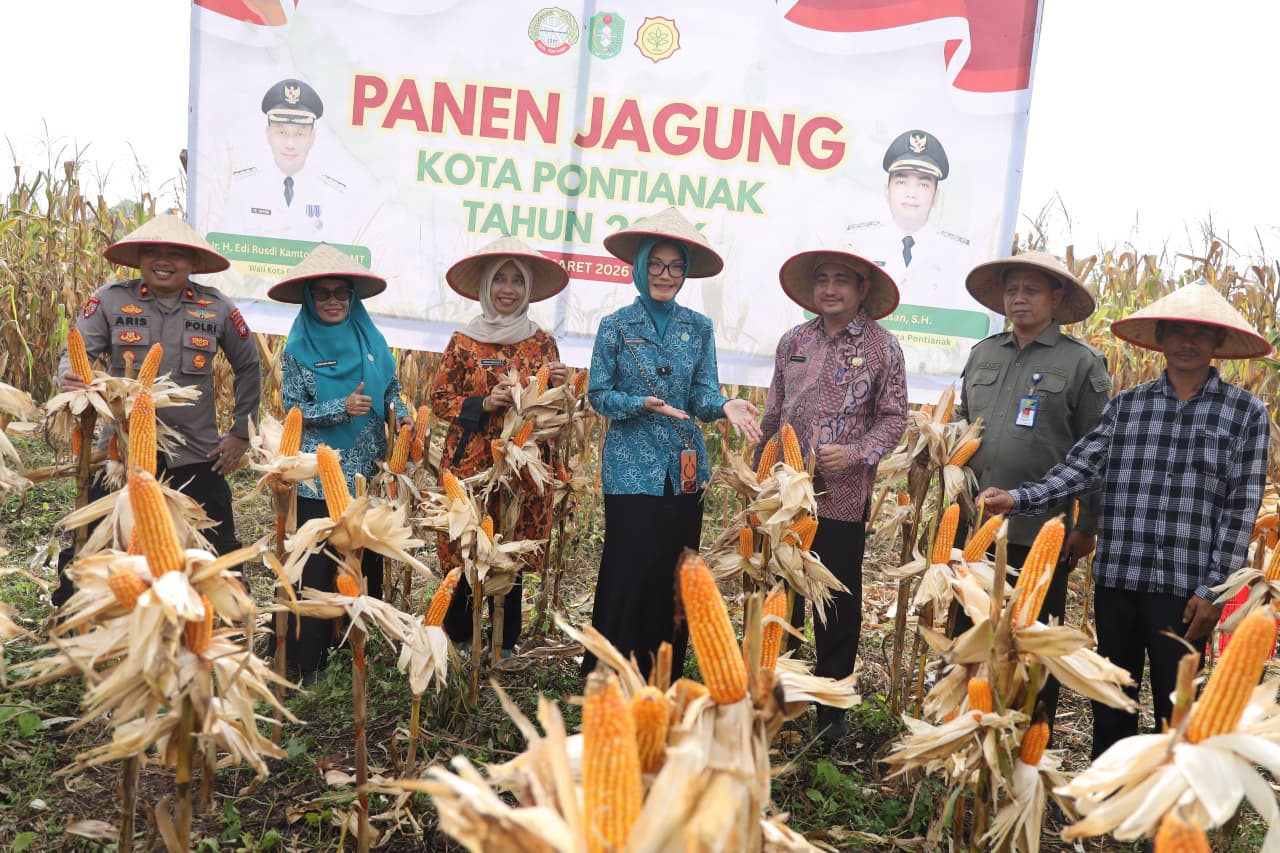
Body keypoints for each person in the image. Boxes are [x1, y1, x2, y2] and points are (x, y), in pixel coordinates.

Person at [978, 279, 1272, 759]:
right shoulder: (1128, 405)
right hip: (1120, 575)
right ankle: (1108, 800)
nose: (1187, 342)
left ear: (1217, 343)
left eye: (1199, 334)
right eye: (1176, 331)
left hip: (1187, 586)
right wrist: (1018, 499)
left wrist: (1214, 590)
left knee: (1178, 707)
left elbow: (1241, 509)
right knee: (1112, 695)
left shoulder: (1245, 413)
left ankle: (1168, 813)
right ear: (1160, 338)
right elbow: (1079, 470)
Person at [585, 207, 763, 680]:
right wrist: (641, 403)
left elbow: (702, 395)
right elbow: (597, 394)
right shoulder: (616, 325)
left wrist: (724, 406)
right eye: (656, 265)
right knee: (629, 566)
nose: (666, 275)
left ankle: (661, 672)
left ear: (685, 272)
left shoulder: (698, 327)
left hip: (684, 470)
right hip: (630, 466)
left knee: (675, 567)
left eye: (675, 266)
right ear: (640, 267)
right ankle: (611, 670)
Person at [53, 215, 261, 605]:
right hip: (122, 449)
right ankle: (70, 617)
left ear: (193, 264)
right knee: (91, 538)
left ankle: (231, 623)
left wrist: (240, 432)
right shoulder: (112, 299)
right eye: (154, 252)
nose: (163, 261)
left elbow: (249, 366)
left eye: (175, 255)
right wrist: (71, 377)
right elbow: (77, 349)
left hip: (195, 453)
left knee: (218, 546)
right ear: (139, 258)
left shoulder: (216, 307)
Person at [953, 250, 1111, 736]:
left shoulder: (1081, 363)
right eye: (1012, 290)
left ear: (1056, 298)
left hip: (1041, 529)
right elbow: (964, 424)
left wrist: (1086, 526)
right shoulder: (983, 353)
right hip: (975, 525)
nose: (1018, 299)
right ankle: (966, 729)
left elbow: (1099, 450)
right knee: (971, 631)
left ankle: (1027, 736)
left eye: (1031, 290)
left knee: (1034, 638)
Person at [759, 247, 909, 740]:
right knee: (783, 596)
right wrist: (763, 474)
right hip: (785, 494)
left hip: (841, 496)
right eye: (822, 279)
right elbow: (774, 410)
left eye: (841, 280)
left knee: (836, 601)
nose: (829, 288)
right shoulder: (793, 341)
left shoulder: (883, 348)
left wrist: (857, 453)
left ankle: (832, 712)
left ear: (861, 288)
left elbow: (893, 419)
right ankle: (783, 697)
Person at [270, 243, 412, 680]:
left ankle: (356, 654)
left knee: (363, 562)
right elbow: (291, 410)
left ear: (353, 297)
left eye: (341, 292)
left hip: (366, 473)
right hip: (318, 475)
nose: (333, 300)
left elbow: (392, 394)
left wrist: (404, 419)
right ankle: (306, 661)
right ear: (310, 300)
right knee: (314, 563)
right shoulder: (296, 350)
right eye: (323, 293)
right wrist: (337, 407)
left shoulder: (373, 342)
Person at [429, 236, 570, 658]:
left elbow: (555, 408)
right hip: (471, 465)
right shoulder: (464, 342)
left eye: (516, 281)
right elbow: (439, 399)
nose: (507, 289)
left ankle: (503, 644)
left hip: (523, 466)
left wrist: (561, 388)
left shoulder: (542, 343)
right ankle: (458, 637)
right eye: (499, 280)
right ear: (486, 287)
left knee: (511, 547)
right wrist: (482, 404)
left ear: (527, 289)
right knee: (469, 547)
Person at [224, 78, 347, 239]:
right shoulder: (243, 188)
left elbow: (341, 258)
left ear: (312, 137)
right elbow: (227, 254)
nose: (290, 144)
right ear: (268, 133)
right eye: (281, 133)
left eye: (300, 134)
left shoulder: (331, 195)